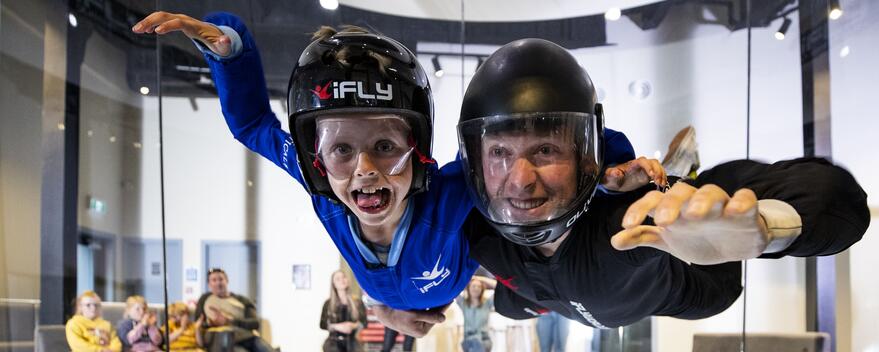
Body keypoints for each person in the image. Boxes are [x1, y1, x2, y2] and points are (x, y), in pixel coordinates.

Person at [132, 11, 659, 337]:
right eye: (342, 151)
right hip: (402, 299)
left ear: (419, 149)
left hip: (478, 277)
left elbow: (552, 162)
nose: (364, 171)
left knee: (520, 293)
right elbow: (251, 123)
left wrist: (612, 163)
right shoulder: (319, 182)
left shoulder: (454, 190)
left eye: (385, 146)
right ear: (317, 158)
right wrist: (230, 45)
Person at [456, 38, 870, 329]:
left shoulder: (636, 215)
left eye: (546, 150)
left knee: (693, 199)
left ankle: (682, 173)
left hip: (690, 288)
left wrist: (764, 227)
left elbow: (840, 201)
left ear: (587, 157)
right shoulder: (470, 228)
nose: (521, 179)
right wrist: (390, 310)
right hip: (544, 297)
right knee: (508, 306)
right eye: (499, 153)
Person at [195, 268, 272, 352]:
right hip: (222, 340)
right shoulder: (204, 299)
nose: (218, 283)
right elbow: (197, 322)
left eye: (221, 279)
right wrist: (211, 323)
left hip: (248, 338)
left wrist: (230, 321)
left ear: (227, 281)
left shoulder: (242, 300)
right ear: (209, 284)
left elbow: (255, 323)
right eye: (214, 280)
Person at [321, 270, 367, 352]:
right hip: (333, 344)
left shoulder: (358, 302)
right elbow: (323, 324)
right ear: (334, 284)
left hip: (353, 343)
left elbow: (364, 323)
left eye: (344, 277)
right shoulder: (328, 303)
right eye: (338, 279)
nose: (342, 280)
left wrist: (352, 326)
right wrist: (338, 326)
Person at [456, 277, 495, 352]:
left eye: (479, 286)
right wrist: (467, 278)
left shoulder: (487, 303)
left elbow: (498, 287)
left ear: (482, 289)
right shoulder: (463, 303)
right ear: (468, 288)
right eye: (473, 286)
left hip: (484, 342)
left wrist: (480, 278)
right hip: (468, 342)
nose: (476, 288)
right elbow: (454, 289)